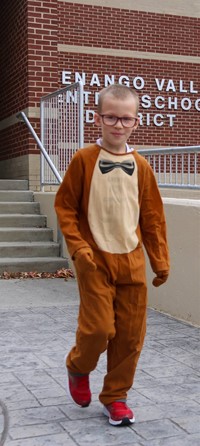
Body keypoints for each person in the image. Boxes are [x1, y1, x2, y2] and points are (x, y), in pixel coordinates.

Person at [54, 84, 170, 426]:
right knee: (99, 329)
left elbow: (152, 218)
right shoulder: (84, 160)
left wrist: (160, 261)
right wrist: (79, 248)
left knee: (131, 335)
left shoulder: (143, 166)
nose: (118, 125)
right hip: (95, 261)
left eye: (125, 118)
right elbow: (65, 207)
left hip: (131, 261)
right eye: (111, 117)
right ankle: (78, 366)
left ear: (136, 121)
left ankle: (116, 396)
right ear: (98, 118)